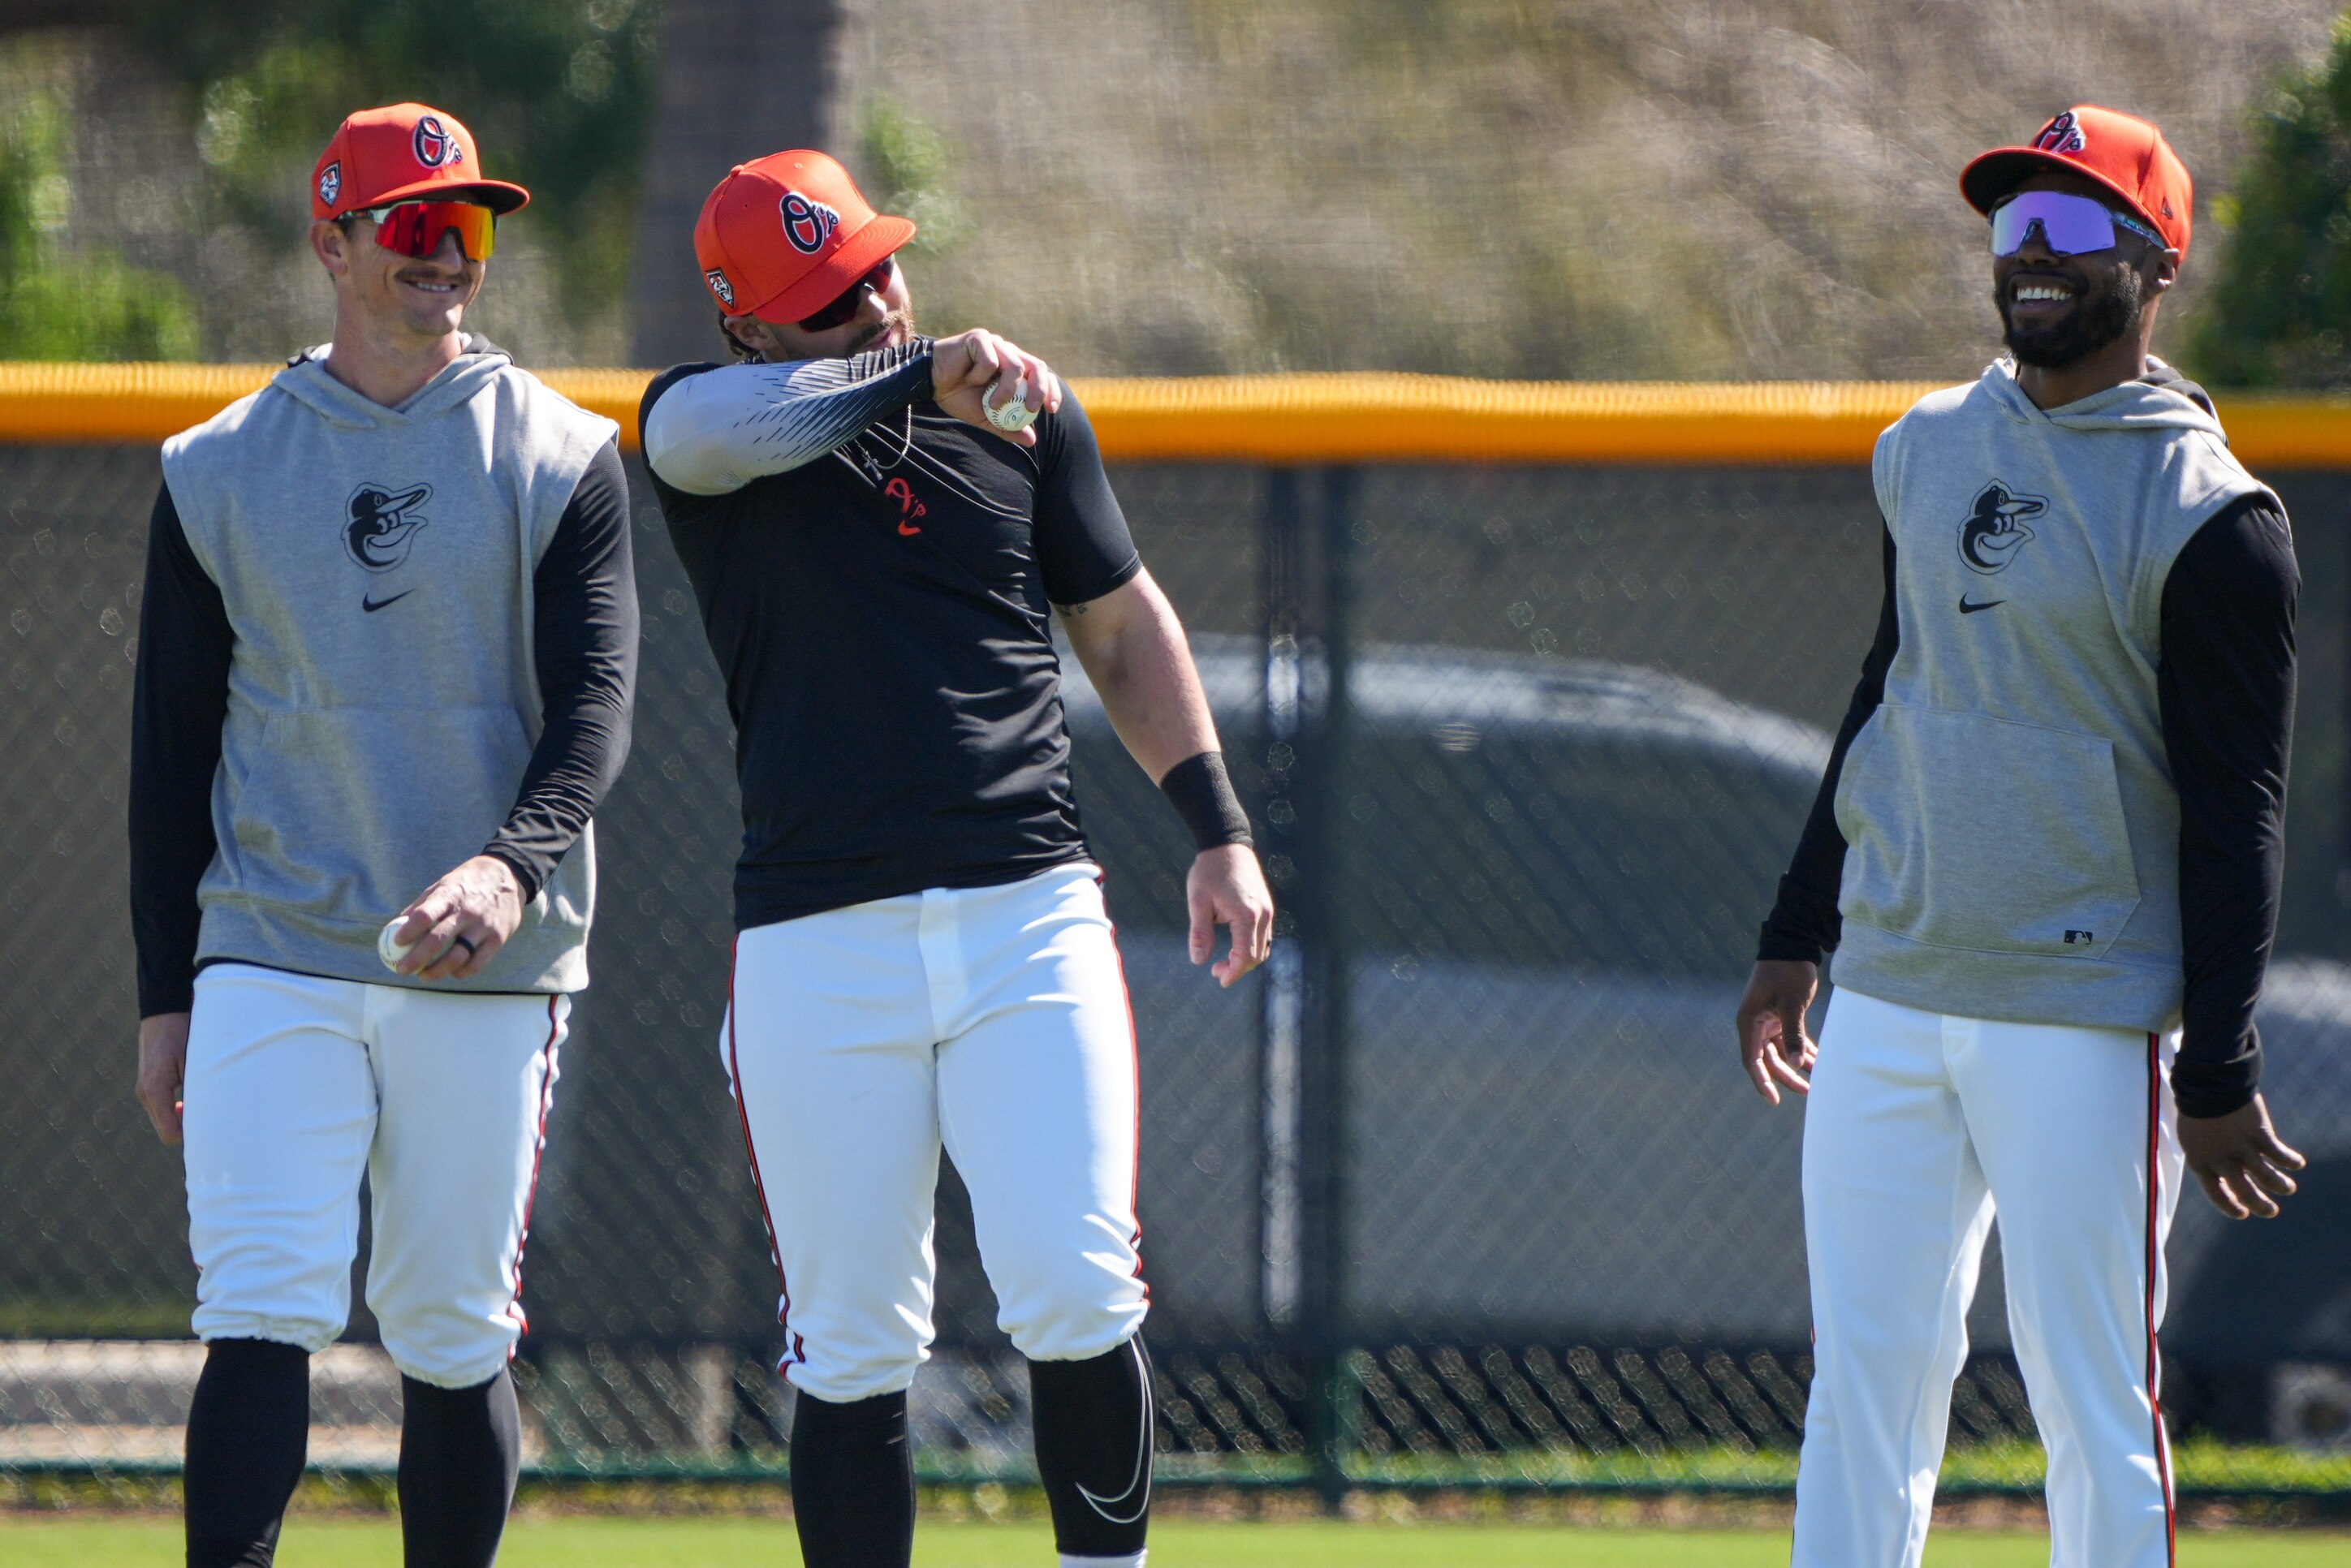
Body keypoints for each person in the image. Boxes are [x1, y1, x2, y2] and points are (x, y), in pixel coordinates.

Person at [639, 149, 1273, 1568]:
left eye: (875, 270)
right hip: (815, 940)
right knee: (852, 1339)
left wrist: (1218, 829)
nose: (872, 305)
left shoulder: (1017, 413)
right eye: (825, 297)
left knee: (1073, 1280)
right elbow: (689, 437)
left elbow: (1119, 622)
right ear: (746, 325)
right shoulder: (710, 415)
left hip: (1025, 913)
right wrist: (905, 384)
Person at [1735, 106, 2306, 1568]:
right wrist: (1799, 931)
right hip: (1895, 987)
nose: (2028, 261)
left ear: (2152, 260)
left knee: (2093, 1406)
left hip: (2086, 1017)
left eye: (2066, 229)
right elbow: (1890, 687)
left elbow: (2240, 810)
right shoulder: (1924, 448)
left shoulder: (2210, 513)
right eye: (2010, 229)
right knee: (1863, 1393)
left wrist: (2222, 1062)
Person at [128, 103, 637, 1567]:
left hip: (484, 958)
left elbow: (597, 704)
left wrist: (507, 862)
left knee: (450, 1328)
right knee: (259, 1307)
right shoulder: (217, 469)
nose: (446, 256)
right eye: (413, 226)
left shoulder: (560, 450)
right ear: (332, 244)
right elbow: (170, 755)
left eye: (467, 227)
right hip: (271, 949)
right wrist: (170, 989)